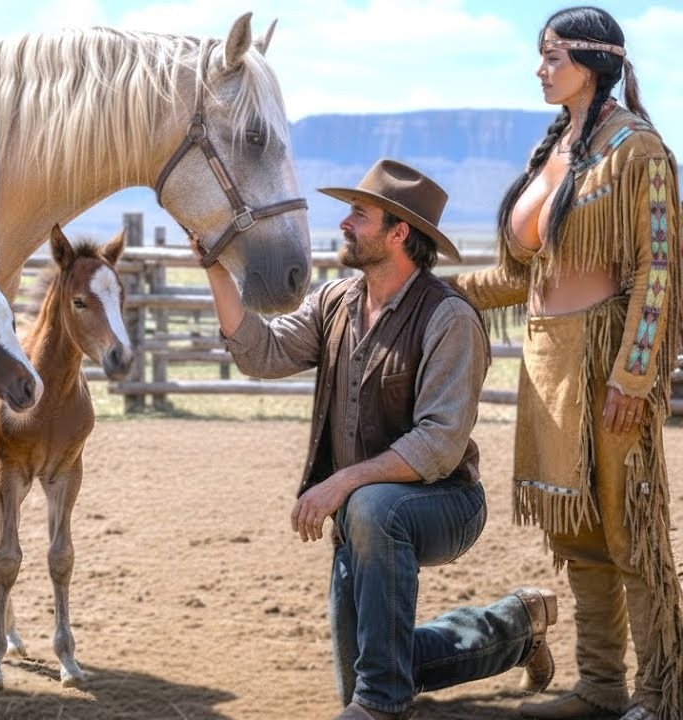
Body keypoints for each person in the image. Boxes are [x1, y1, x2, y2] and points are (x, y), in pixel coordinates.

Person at [194, 158, 559, 720]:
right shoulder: (335, 302)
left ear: (399, 233)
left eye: (358, 215)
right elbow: (259, 351)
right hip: (366, 512)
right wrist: (217, 269)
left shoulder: (449, 318)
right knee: (373, 663)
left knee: (370, 525)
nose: (343, 223)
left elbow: (438, 445)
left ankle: (385, 707)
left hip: (446, 503)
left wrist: (342, 482)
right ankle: (514, 629)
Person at [448, 7, 683, 720]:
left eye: (552, 55)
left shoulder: (638, 150)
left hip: (608, 364)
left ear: (592, 60)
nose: (540, 68)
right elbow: (526, 276)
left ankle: (662, 693)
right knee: (579, 534)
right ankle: (602, 686)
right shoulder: (551, 151)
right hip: (548, 365)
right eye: (540, 55)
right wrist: (435, 291)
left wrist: (633, 376)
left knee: (630, 531)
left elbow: (660, 268)